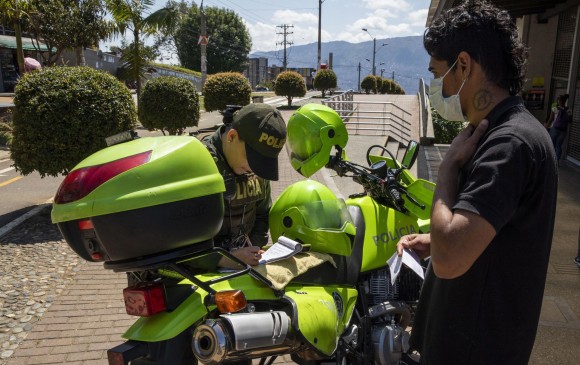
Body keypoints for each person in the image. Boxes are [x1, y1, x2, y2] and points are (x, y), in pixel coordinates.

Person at [396, 1, 558, 363]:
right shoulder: (503, 132)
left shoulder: (509, 144)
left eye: (440, 73)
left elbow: (451, 259)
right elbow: (487, 231)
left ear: (464, 65)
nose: (440, 86)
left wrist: (448, 170)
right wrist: (435, 239)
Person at [201, 103, 286, 266]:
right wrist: (224, 259)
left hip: (244, 269)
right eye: (252, 160)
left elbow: (262, 215)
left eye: (262, 163)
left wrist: (253, 249)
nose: (253, 169)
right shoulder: (200, 165)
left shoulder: (255, 168)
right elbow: (181, 244)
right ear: (231, 137)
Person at [545, 94, 572, 161]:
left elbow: (551, 119)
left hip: (555, 129)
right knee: (559, 146)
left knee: (552, 145)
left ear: (559, 101)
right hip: (563, 131)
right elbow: (570, 121)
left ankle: (551, 160)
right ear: (565, 101)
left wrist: (546, 127)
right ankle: (557, 162)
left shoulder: (555, 108)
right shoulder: (569, 110)